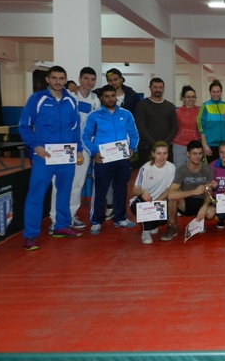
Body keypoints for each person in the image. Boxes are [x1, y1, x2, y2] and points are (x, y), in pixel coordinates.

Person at [19, 65, 83, 250]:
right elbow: (24, 125)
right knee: (36, 194)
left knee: (64, 192)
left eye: (61, 78)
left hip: (66, 155)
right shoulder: (37, 99)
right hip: (44, 155)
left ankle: (61, 226)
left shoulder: (71, 101)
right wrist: (35, 146)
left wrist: (78, 149)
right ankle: (31, 234)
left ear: (65, 80)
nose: (58, 81)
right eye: (54, 78)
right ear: (48, 79)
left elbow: (75, 128)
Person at [82, 84, 140, 235]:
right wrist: (94, 152)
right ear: (101, 98)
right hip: (102, 159)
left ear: (116, 97)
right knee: (100, 191)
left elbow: (134, 134)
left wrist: (132, 148)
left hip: (122, 159)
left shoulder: (126, 114)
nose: (110, 99)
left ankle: (120, 218)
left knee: (121, 189)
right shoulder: (94, 116)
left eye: (113, 96)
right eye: (107, 96)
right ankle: (96, 221)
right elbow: (85, 136)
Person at [49, 66, 100, 232]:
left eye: (92, 79)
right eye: (86, 78)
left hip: (83, 146)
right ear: (79, 79)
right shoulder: (68, 95)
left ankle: (70, 215)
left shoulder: (95, 100)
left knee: (78, 183)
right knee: (59, 183)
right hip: (63, 145)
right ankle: (55, 218)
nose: (89, 82)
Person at [161, 140, 217, 242]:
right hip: (186, 201)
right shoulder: (182, 169)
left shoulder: (207, 169)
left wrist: (205, 206)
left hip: (201, 201)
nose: (198, 156)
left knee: (210, 213)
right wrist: (194, 191)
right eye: (194, 153)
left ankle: (200, 221)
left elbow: (209, 192)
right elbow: (171, 194)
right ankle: (172, 226)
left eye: (200, 153)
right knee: (173, 198)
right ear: (188, 154)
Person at [129, 141, 176, 244]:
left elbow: (169, 189)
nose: (162, 157)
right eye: (159, 153)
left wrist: (157, 202)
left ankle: (153, 224)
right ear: (153, 154)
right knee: (143, 200)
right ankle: (146, 231)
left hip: (159, 201)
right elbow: (134, 190)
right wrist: (144, 192)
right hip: (141, 201)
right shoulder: (145, 168)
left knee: (163, 219)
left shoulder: (171, 167)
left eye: (165, 153)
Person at [134, 77, 178, 166]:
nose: (158, 90)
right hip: (147, 148)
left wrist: (164, 144)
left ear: (163, 88)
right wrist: (155, 144)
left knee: (167, 172)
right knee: (147, 173)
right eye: (155, 87)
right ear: (150, 88)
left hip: (165, 148)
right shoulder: (142, 105)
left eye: (160, 87)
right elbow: (140, 126)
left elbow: (175, 126)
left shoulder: (170, 106)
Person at [197, 79, 225, 163]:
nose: (216, 94)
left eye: (218, 91)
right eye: (213, 92)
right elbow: (200, 125)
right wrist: (204, 144)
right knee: (211, 170)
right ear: (210, 92)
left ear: (221, 92)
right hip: (210, 145)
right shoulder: (205, 106)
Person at [172, 85, 200, 168]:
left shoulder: (200, 111)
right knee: (179, 170)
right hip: (179, 145)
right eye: (188, 97)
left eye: (193, 97)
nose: (191, 99)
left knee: (193, 170)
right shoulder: (177, 112)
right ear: (183, 98)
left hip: (194, 145)